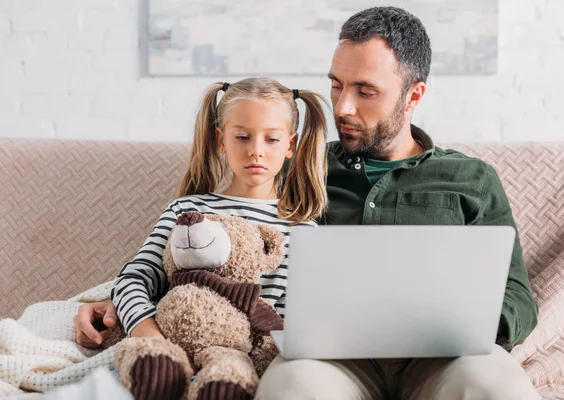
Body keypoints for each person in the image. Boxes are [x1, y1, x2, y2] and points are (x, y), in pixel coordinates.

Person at [76, 7, 540, 399]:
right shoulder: (300, 168)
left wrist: (463, 323)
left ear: (413, 96)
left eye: (365, 91)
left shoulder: (471, 180)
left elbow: (517, 295)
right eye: (337, 85)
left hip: (443, 358)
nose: (342, 107)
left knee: (497, 387)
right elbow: (212, 243)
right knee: (294, 386)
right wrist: (111, 302)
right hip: (331, 361)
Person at [73, 77, 328, 346]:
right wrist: (152, 339)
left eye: (272, 139)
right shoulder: (187, 210)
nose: (256, 151)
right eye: (242, 137)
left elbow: (298, 322)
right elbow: (133, 280)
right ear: (221, 140)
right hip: (172, 347)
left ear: (290, 145)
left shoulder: (303, 230)